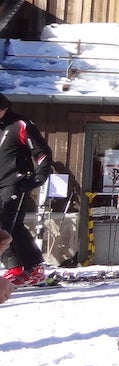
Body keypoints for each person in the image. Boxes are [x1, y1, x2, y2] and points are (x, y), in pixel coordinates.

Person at [0, 93, 54, 288]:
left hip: (16, 182)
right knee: (14, 226)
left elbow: (42, 153)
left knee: (5, 223)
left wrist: (38, 177)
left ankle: (15, 266)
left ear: (4, 109)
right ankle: (34, 266)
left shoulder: (21, 124)